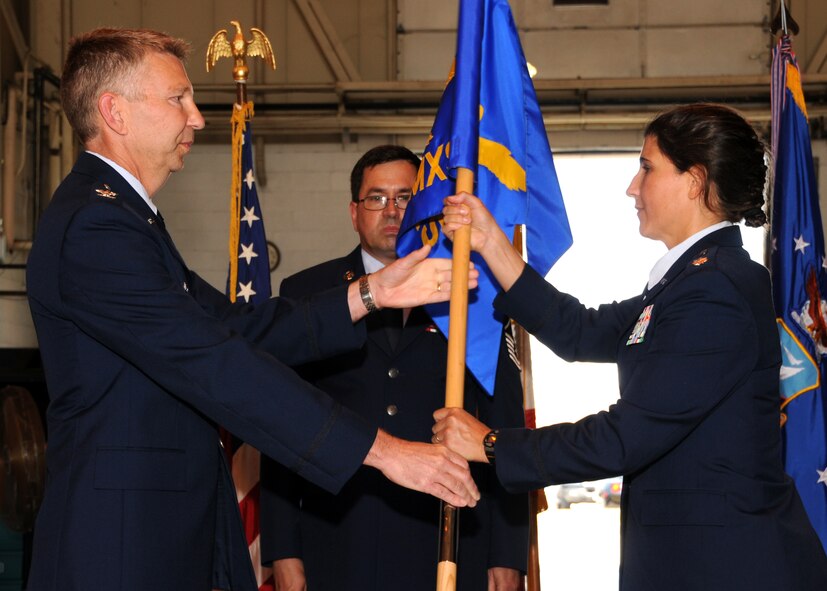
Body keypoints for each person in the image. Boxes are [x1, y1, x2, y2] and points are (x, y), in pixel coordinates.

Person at [25, 28, 481, 591]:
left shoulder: (126, 219)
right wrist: (383, 452)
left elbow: (234, 328)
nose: (197, 118)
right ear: (114, 111)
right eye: (178, 99)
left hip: (159, 530)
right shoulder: (97, 226)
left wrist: (372, 293)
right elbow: (216, 362)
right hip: (121, 545)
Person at [432, 104, 827, 590]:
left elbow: (627, 435)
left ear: (694, 181)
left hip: (725, 568)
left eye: (647, 167)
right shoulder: (685, 286)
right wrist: (492, 240)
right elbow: (577, 329)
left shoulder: (715, 289)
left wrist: (492, 445)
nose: (632, 187)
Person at [259, 145, 528, 591]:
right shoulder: (307, 293)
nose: (391, 210)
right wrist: (283, 551)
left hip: (451, 537)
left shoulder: (474, 291)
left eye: (405, 197)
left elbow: (506, 426)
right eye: (376, 198)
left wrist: (508, 555)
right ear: (353, 211)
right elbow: (281, 424)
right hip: (338, 537)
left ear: (424, 205)